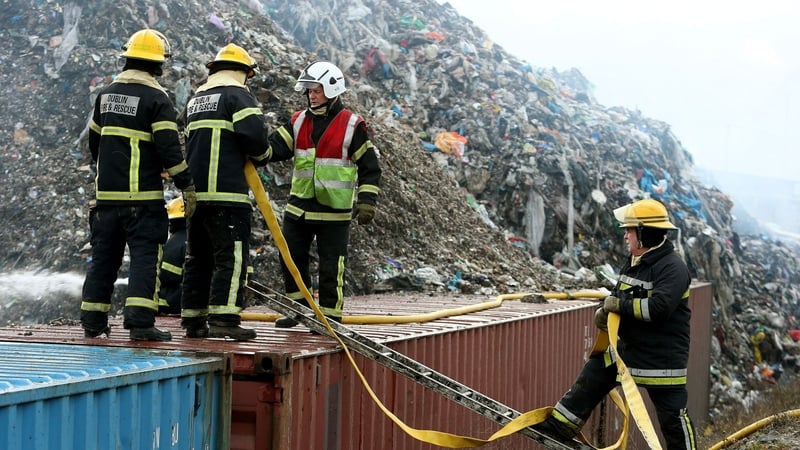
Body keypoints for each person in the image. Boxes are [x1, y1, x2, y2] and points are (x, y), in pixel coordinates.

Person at [534, 198, 697, 449]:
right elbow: (619, 297)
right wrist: (604, 313)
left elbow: (658, 309)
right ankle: (561, 425)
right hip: (629, 351)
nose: (625, 236)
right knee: (595, 371)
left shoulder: (672, 268)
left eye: (629, 230)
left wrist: (618, 306)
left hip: (661, 361)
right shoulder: (634, 263)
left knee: (672, 419)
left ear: (643, 233)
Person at [80, 29, 196, 342]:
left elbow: (93, 143)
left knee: (104, 259)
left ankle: (92, 321)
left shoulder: (106, 95)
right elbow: (169, 150)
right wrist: (186, 183)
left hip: (105, 201)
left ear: (128, 58)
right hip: (142, 200)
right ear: (158, 65)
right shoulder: (157, 99)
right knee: (145, 259)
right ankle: (140, 323)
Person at [268, 61, 382, 330]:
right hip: (299, 210)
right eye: (308, 91)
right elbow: (273, 148)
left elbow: (370, 167)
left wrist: (367, 202)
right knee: (291, 259)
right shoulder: (297, 121)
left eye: (316, 90)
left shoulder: (352, 125)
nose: (311, 95)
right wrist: (249, 146)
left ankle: (330, 318)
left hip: (334, 212)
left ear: (332, 89)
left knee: (332, 267)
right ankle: (298, 310)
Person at [180, 43, 270, 341]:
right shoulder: (238, 95)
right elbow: (255, 139)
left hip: (195, 195)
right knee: (230, 258)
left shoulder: (196, 99)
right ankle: (225, 318)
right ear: (243, 72)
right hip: (227, 194)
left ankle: (193, 320)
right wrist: (265, 153)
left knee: (198, 258)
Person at [157, 197, 187, 315]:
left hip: (175, 301)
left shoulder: (174, 243)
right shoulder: (202, 239)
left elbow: (167, 276)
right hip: (200, 299)